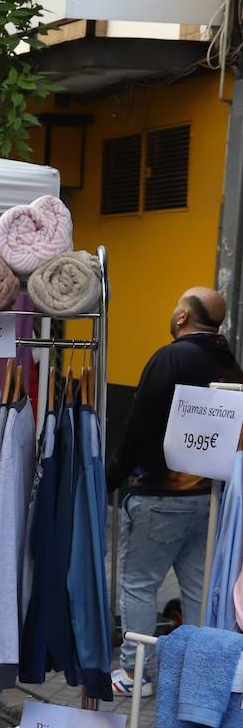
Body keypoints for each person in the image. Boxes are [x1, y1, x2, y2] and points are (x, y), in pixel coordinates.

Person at [106, 286, 243, 697]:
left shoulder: (170, 357)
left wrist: (109, 479)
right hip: (211, 500)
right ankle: (199, 673)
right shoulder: (229, 363)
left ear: (183, 316)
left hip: (161, 496)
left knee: (139, 583)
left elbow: (138, 426)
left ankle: (134, 674)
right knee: (200, 588)